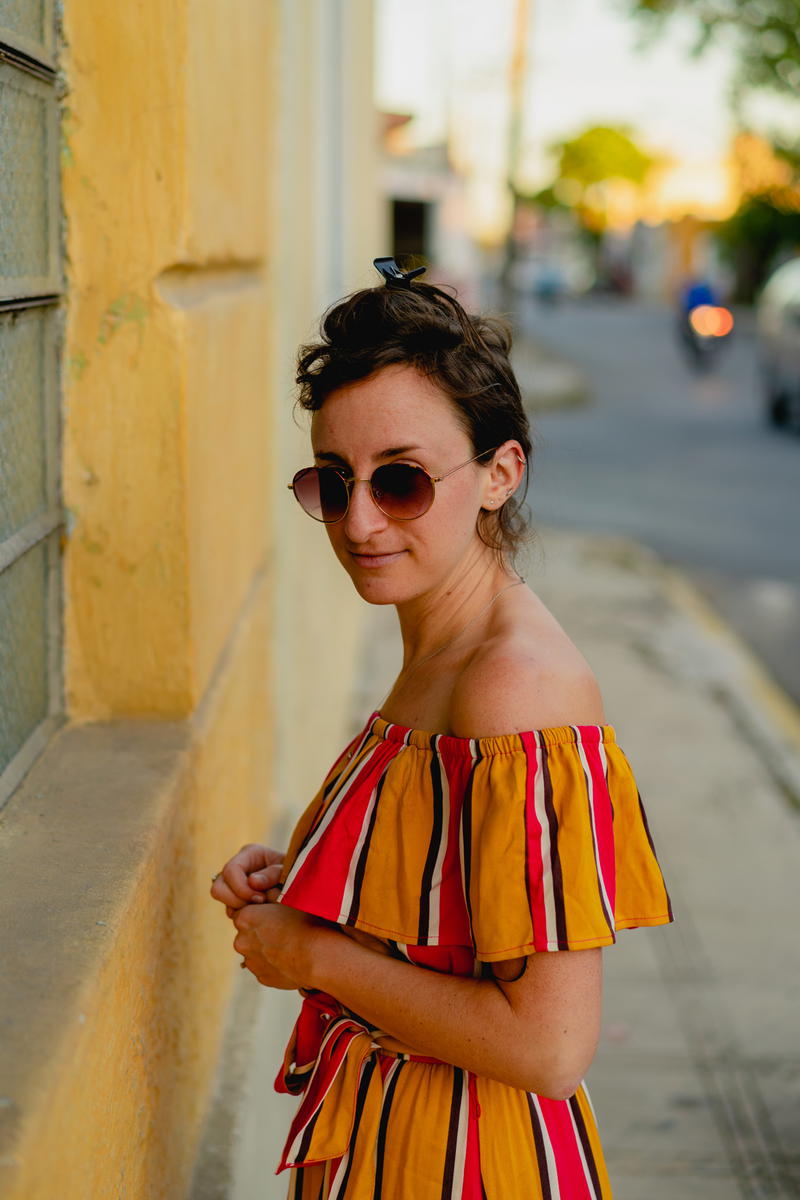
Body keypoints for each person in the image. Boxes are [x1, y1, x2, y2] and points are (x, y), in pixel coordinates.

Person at [210, 259, 673, 1198]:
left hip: (464, 1165)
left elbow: (548, 1046)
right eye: (333, 482)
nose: (362, 521)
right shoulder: (441, 647)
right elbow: (449, 907)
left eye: (404, 481)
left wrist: (314, 956)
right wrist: (313, 888)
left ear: (501, 472)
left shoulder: (513, 691)